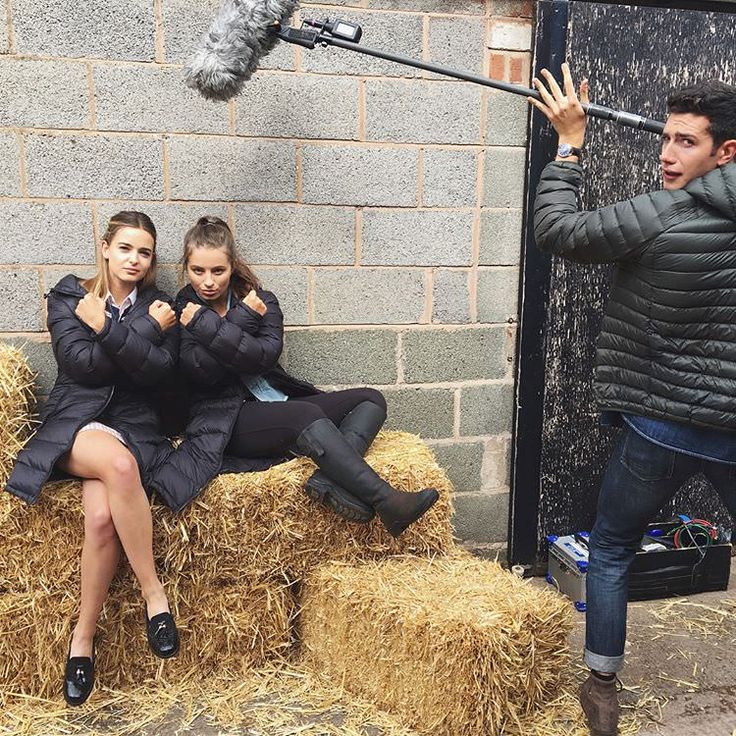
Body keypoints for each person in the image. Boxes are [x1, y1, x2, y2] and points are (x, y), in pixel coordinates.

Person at [529, 66, 736, 736]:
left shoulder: (662, 215)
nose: (666, 154)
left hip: (661, 428)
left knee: (613, 549)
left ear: (724, 152)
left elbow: (559, 229)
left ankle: (601, 687)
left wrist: (568, 145)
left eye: (685, 142)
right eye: (665, 138)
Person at [149, 216, 438, 537]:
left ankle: (332, 478)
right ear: (185, 268)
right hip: (224, 418)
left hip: (274, 401)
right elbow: (201, 370)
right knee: (305, 415)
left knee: (370, 399)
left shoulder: (262, 300)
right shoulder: (181, 308)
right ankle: (387, 501)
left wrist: (213, 325)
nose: (208, 281)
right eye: (198, 271)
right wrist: (241, 319)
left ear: (232, 266)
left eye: (218, 271)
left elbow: (263, 357)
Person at [4, 211, 182, 706]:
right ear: (105, 247)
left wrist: (111, 328)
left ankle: (82, 642)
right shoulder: (70, 296)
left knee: (101, 519)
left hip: (135, 425)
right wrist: (139, 331)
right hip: (78, 420)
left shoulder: (160, 306)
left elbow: (159, 375)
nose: (134, 259)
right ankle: (155, 597)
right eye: (125, 248)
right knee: (120, 467)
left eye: (144, 252)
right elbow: (81, 366)